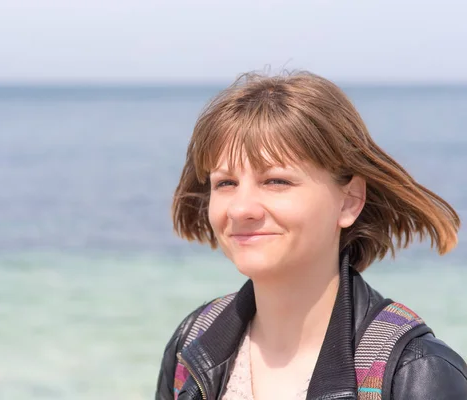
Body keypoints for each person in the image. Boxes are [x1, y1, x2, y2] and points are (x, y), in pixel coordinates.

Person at [154, 71, 467, 400]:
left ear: (349, 201)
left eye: (276, 181)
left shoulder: (416, 373)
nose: (239, 209)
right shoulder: (191, 345)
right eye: (225, 183)